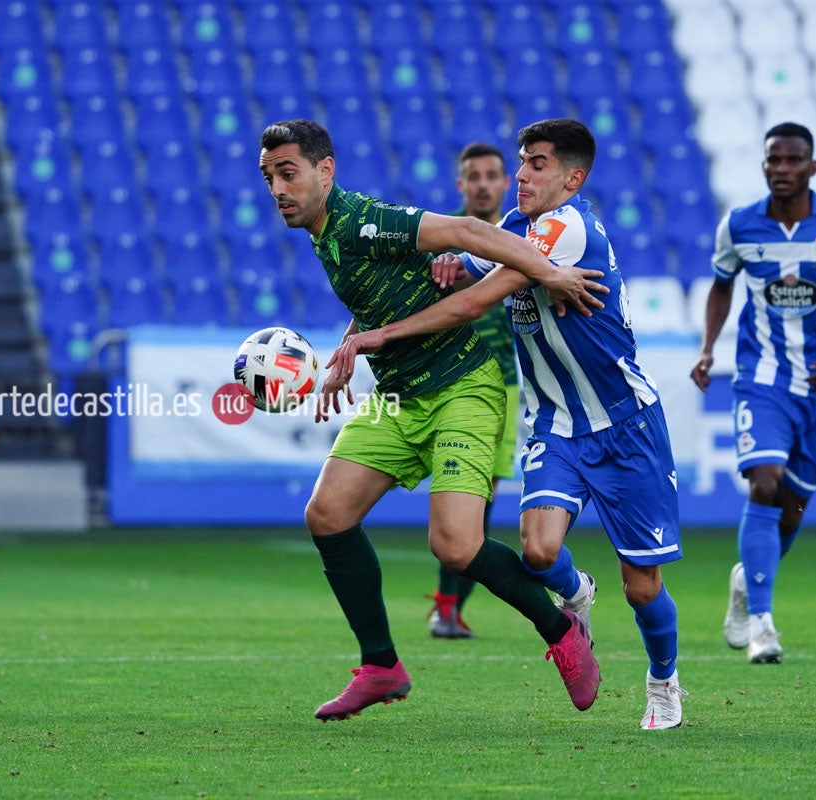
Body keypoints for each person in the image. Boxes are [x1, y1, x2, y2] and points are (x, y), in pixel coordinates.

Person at [325, 119, 687, 730]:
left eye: (536, 164)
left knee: (644, 587)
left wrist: (375, 338)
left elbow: (474, 301)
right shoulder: (516, 229)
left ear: (573, 177)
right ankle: (576, 596)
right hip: (555, 423)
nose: (521, 174)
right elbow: (464, 265)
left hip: (627, 425)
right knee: (540, 551)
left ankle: (662, 681)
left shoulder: (569, 231)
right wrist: (448, 260)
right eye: (522, 161)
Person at [258, 119, 608, 721]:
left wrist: (548, 272)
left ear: (325, 170)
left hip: (462, 389)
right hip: (397, 394)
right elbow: (375, 296)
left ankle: (560, 630)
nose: (277, 189)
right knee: (327, 514)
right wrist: (347, 352)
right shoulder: (326, 237)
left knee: (454, 545)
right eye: (268, 178)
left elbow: (471, 230)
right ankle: (381, 667)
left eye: (288, 173)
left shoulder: (365, 219)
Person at [688, 122, 816, 664]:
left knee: (790, 513)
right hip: (761, 379)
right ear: (763, 166)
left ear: (812, 166)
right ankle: (762, 623)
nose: (781, 169)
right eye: (773, 160)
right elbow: (721, 285)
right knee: (764, 482)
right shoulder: (738, 226)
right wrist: (709, 347)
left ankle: (745, 582)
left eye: (792, 160)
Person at [426, 142, 519, 640]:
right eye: (473, 176)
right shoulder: (444, 241)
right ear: (461, 185)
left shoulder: (523, 237)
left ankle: (450, 607)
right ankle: (445, 607)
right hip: (450, 381)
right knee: (461, 494)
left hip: (505, 386)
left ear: (506, 183)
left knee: (482, 501)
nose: (483, 184)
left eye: (491, 175)